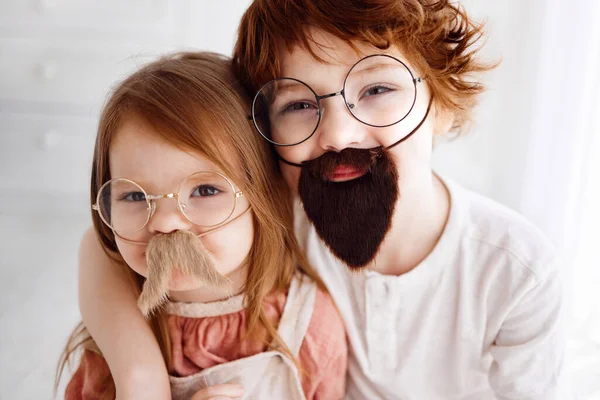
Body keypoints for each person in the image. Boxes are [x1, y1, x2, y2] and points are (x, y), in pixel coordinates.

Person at [75, 1, 570, 399]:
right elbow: (109, 243)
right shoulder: (278, 215)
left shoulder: (516, 272)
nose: (337, 134)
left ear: (439, 101)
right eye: (299, 104)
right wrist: (140, 376)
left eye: (377, 88)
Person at [56, 51, 347, 400]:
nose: (164, 222)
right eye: (134, 198)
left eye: (206, 190)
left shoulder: (310, 327)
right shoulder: (117, 328)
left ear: (263, 197)